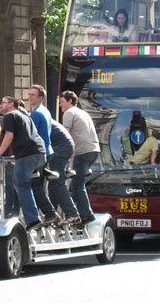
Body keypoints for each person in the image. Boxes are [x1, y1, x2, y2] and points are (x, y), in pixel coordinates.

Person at [0, 96, 47, 231]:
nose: (0, 105)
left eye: (3, 103)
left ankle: (33, 219)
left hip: (28, 155)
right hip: (40, 153)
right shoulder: (24, 115)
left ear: (12, 104)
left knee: (21, 184)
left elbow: (9, 136)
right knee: (25, 184)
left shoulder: (10, 115)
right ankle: (47, 213)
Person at [60, 90, 100, 225]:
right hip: (93, 151)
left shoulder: (69, 113)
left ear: (70, 101)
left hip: (81, 152)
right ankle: (77, 214)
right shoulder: (83, 112)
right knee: (76, 185)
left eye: (62, 102)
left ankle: (86, 215)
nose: (60, 105)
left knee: (77, 185)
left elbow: (65, 135)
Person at [27, 85, 59, 224]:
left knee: (34, 185)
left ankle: (49, 213)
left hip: (39, 153)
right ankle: (47, 214)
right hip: (47, 151)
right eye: (29, 94)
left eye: (33, 95)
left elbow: (29, 136)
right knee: (38, 185)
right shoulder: (45, 111)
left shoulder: (36, 114)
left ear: (40, 98)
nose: (29, 97)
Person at [48, 119, 80, 224]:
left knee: (57, 183)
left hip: (60, 148)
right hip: (66, 146)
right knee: (53, 183)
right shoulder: (41, 116)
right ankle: (54, 216)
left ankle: (72, 214)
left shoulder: (34, 118)